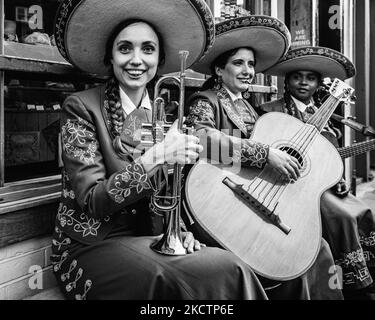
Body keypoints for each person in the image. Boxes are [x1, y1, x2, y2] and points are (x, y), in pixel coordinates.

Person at [50, 0, 271, 300]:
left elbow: (166, 193)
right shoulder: (80, 107)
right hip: (90, 246)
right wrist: (158, 156)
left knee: (231, 267)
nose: (136, 59)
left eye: (148, 49)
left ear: (160, 58)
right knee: (196, 277)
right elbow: (93, 201)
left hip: (147, 238)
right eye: (125, 48)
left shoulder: (165, 115)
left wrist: (178, 229)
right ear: (110, 57)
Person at [185, 16, 343, 300]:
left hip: (249, 196)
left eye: (251, 64)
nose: (247, 71)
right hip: (221, 199)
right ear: (219, 70)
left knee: (314, 249)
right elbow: (202, 141)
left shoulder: (251, 107)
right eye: (238, 63)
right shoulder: (205, 100)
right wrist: (265, 153)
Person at [259, 46, 375, 299]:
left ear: (318, 83)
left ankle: (358, 276)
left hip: (324, 185)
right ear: (286, 80)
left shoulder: (328, 118)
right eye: (297, 76)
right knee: (343, 218)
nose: (303, 82)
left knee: (362, 212)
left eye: (310, 77)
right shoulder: (271, 110)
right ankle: (354, 287)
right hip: (289, 185)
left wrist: (340, 180)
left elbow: (329, 158)